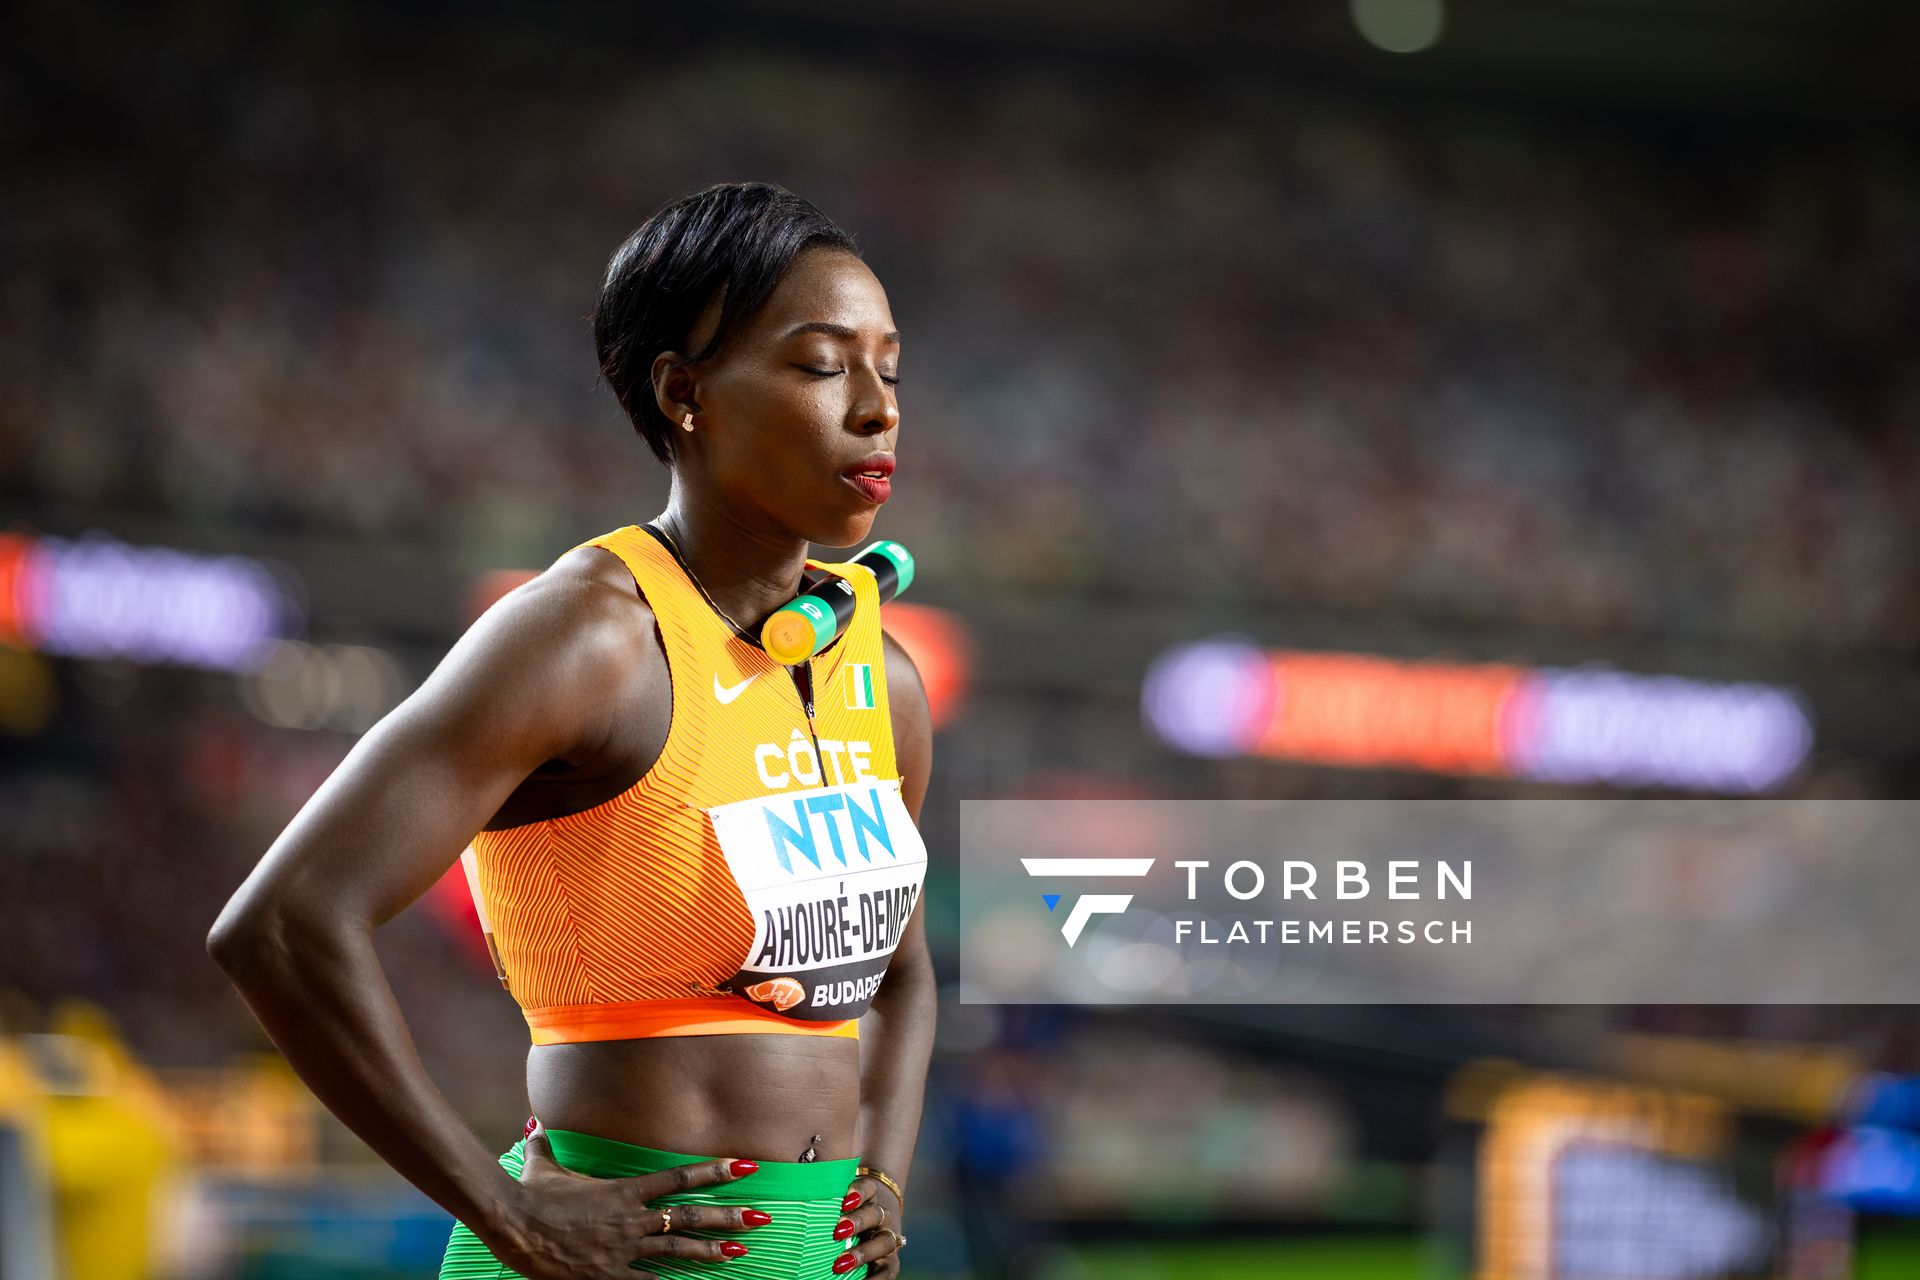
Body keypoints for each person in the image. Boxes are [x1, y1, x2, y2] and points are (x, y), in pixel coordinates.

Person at [207, 181, 934, 1280]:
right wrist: (507, 1209)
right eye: (824, 364)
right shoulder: (587, 636)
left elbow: (902, 977)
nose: (876, 407)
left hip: (812, 1260)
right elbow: (280, 925)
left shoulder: (880, 670)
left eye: (889, 365)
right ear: (684, 392)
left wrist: (881, 1171)